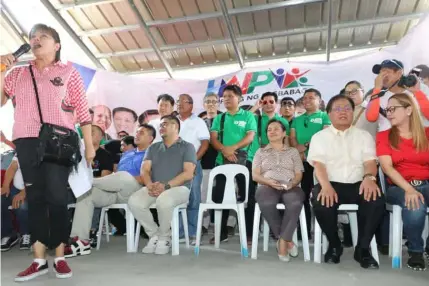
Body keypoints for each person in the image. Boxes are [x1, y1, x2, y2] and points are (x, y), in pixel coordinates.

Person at [1, 24, 95, 281]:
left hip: (58, 142)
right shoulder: (18, 72)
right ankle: (39, 260)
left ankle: (60, 257)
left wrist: (89, 146)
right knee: (36, 198)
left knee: (57, 197)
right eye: (33, 37)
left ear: (57, 45)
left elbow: (83, 112)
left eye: (43, 36)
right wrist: (1, 70)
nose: (36, 40)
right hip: (26, 141)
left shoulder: (68, 72)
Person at [308, 94, 384, 269]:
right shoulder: (319, 137)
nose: (343, 112)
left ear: (353, 112)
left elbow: (370, 162)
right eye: (337, 109)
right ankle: (335, 245)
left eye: (347, 108)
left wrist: (370, 178)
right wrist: (325, 186)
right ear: (329, 114)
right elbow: (318, 165)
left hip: (359, 183)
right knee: (321, 200)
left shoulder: (364, 136)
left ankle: (363, 249)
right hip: (331, 183)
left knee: (376, 199)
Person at [65, 124, 155, 258]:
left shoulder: (152, 154)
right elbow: (116, 175)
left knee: (124, 176)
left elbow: (145, 178)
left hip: (135, 192)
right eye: (136, 132)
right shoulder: (127, 154)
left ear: (151, 138)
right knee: (86, 195)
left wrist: (122, 177)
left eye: (141, 132)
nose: (136, 134)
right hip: (115, 192)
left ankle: (87, 181)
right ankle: (80, 241)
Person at [128, 115, 196, 255]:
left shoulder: (187, 147)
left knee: (164, 200)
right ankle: (154, 235)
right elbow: (145, 170)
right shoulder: (153, 148)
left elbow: (188, 173)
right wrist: (149, 185)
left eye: (165, 124)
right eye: (161, 125)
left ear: (175, 127)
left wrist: (165, 186)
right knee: (134, 202)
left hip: (179, 189)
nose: (161, 127)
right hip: (154, 187)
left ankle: (164, 237)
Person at [377, 93, 429, 271]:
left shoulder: (426, 134)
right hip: (398, 186)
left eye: (393, 109)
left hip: (426, 182)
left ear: (408, 110)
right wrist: (409, 188)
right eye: (387, 109)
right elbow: (387, 168)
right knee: (415, 205)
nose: (389, 113)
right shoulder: (384, 136)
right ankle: (416, 251)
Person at [210, 85, 257, 243]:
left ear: (239, 98)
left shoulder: (248, 116)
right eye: (225, 96)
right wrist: (225, 151)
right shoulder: (219, 118)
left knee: (248, 196)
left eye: (230, 95)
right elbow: (214, 139)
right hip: (222, 161)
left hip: (245, 161)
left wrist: (233, 149)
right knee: (219, 196)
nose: (227, 99)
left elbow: (250, 136)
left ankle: (249, 232)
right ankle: (221, 232)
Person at [253, 119, 304, 262]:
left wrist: (292, 183)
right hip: (267, 184)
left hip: (290, 185)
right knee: (267, 202)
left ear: (284, 134)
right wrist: (268, 181)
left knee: (294, 203)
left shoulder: (293, 152)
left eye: (276, 129)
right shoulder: (260, 152)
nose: (272, 131)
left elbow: (299, 174)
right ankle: (286, 239)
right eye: (269, 129)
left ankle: (282, 241)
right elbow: (255, 175)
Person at [290, 88, 330, 239]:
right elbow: (292, 138)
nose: (306, 100)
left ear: (319, 101)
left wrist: (306, 146)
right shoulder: (297, 119)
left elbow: (325, 135)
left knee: (321, 197)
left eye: (311, 98)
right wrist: (298, 151)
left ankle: (324, 233)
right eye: (304, 98)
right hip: (302, 163)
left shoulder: (325, 116)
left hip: (320, 164)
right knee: (303, 197)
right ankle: (304, 232)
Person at [176, 94, 210, 242]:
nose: (180, 104)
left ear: (191, 105)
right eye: (178, 102)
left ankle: (192, 232)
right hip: (173, 166)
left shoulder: (198, 122)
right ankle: (178, 232)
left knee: (193, 198)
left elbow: (204, 144)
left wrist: (193, 161)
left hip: (193, 164)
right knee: (175, 198)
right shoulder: (172, 121)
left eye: (184, 102)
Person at [366, 59, 429, 131]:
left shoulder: (420, 89)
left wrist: (417, 92)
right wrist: (377, 89)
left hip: (418, 139)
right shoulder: (376, 96)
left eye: (386, 71)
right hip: (389, 140)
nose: (382, 76)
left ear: (399, 73)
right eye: (380, 73)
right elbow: (371, 118)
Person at [200, 94, 225, 232]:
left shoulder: (225, 120)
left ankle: (228, 225)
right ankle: (204, 224)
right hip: (206, 162)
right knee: (204, 194)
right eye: (208, 102)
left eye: (214, 102)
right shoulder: (200, 122)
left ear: (218, 104)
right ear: (204, 105)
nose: (211, 104)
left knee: (228, 193)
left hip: (224, 161)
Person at [87, 125, 114, 248]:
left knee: (93, 193)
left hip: (98, 188)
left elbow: (105, 178)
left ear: (100, 137)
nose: (88, 134)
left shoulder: (105, 155)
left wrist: (88, 182)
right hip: (78, 189)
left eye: (92, 132)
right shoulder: (80, 154)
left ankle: (91, 232)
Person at [1, 156, 30, 251]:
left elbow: (40, 175)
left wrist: (25, 192)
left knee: (22, 205)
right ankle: (8, 235)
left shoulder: (41, 149)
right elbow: (12, 167)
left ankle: (26, 234)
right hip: (15, 189)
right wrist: (5, 186)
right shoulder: (21, 149)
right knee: (1, 200)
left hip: (34, 189)